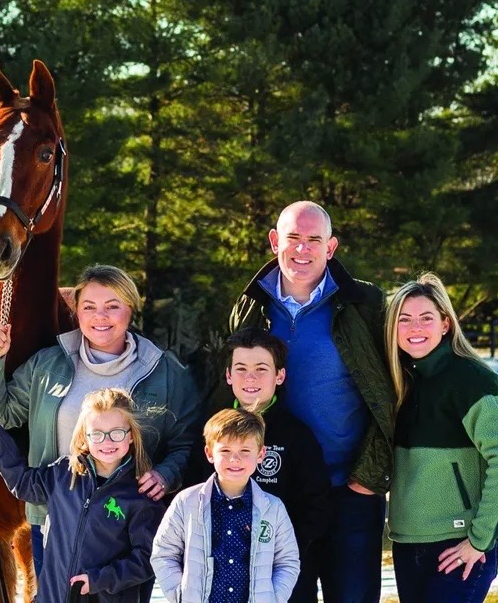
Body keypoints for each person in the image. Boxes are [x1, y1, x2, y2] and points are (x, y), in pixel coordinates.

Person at [0, 264, 200, 576]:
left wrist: (166, 474)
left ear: (131, 310)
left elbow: (187, 443)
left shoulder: (163, 371)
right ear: (78, 313)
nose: (101, 317)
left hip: (126, 527)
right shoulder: (48, 364)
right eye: (89, 307)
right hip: (54, 523)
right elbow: (2, 414)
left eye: (113, 307)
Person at [226, 200, 394, 602]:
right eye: (293, 238)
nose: (302, 249)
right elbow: (232, 391)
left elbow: (391, 392)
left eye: (313, 240)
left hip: (349, 489)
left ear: (330, 248)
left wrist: (368, 478)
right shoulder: (250, 306)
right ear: (274, 241)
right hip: (277, 489)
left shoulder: (364, 305)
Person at [385, 272, 498, 603]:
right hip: (408, 543)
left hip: (460, 543)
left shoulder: (471, 380)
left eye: (426, 318)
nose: (415, 328)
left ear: (446, 324)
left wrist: (481, 538)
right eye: (404, 319)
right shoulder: (398, 382)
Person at [0, 387, 165, 603]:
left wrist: (99, 580)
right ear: (85, 436)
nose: (107, 442)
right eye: (97, 434)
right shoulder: (64, 474)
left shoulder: (140, 496)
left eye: (117, 433)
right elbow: (23, 482)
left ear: (130, 435)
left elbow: (147, 559)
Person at [200, 327, 331, 602]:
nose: (250, 377)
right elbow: (193, 494)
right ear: (228, 375)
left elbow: (316, 505)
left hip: (281, 571)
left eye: (262, 368)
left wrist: (278, 549)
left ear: (279, 375)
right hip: (219, 569)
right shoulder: (211, 429)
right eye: (241, 368)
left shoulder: (297, 435)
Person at [151, 409, 300, 603]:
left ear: (261, 454)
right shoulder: (186, 502)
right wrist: (180, 595)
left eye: (245, 451)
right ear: (209, 453)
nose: (234, 459)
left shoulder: (273, 508)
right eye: (225, 451)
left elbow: (287, 562)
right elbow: (163, 552)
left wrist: (273, 598)